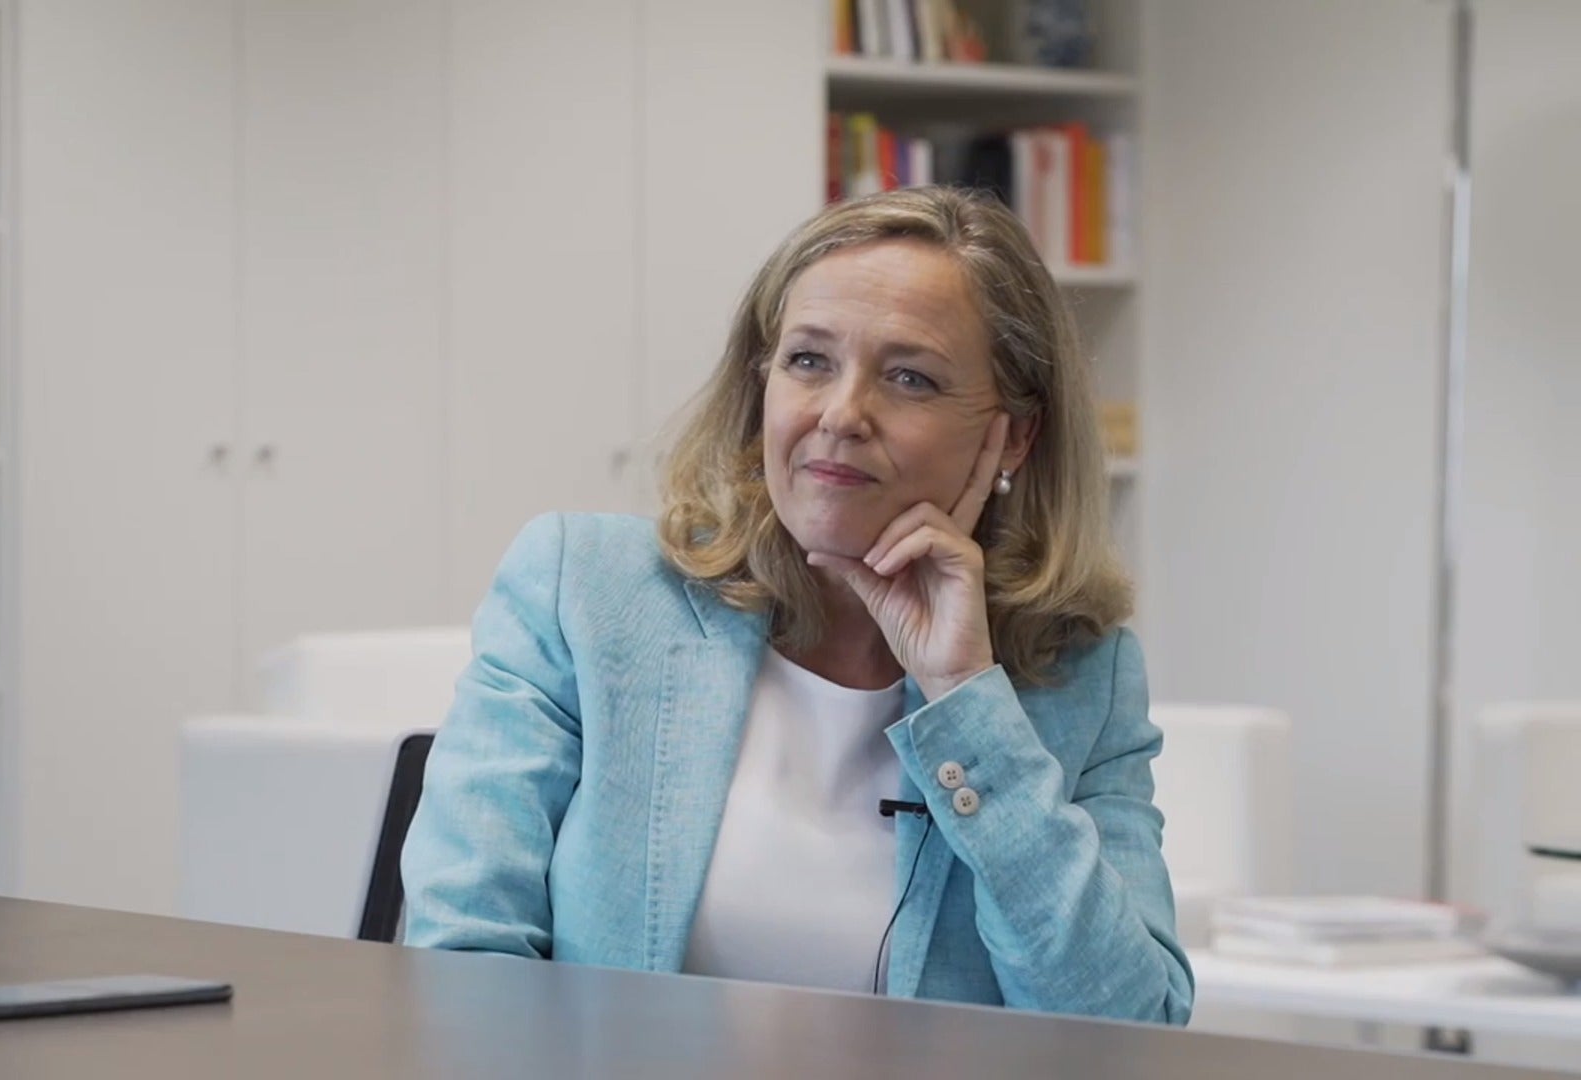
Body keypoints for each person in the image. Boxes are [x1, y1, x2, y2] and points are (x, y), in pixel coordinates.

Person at [399, 186, 1193, 1023]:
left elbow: (1132, 1033)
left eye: (911, 378)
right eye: (809, 361)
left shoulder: (1084, 678)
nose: (842, 415)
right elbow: (464, 967)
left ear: (1014, 436)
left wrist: (966, 699)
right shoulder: (586, 591)